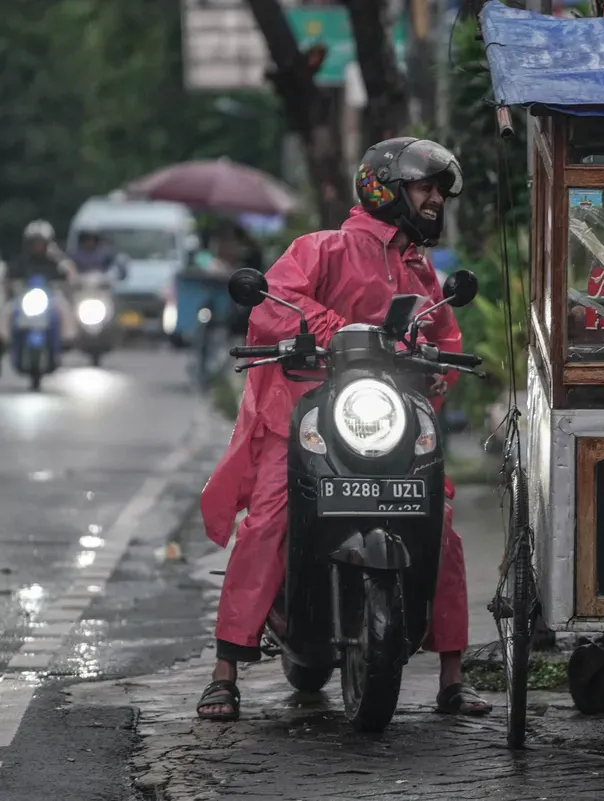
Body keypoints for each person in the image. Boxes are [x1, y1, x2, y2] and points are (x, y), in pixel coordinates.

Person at [195, 137, 493, 721]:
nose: (435, 199)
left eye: (439, 190)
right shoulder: (322, 247)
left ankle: (453, 679)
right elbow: (275, 301)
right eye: (425, 186)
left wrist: (434, 372)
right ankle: (225, 671)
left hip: (387, 419)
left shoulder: (420, 270)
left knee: (444, 525)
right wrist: (335, 330)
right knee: (271, 518)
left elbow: (444, 336)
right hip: (307, 415)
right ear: (384, 187)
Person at [2, 220, 79, 348]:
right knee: (7, 310)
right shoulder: (21, 261)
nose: (38, 246)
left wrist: (58, 256)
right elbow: (8, 275)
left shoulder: (54, 260)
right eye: (34, 242)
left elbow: (70, 274)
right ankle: (5, 340)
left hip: (50, 297)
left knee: (64, 307)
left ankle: (67, 339)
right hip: (24, 297)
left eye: (41, 242)